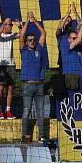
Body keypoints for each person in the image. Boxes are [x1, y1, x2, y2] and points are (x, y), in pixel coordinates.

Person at [19, 13, 49, 144]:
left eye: (33, 40)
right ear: (26, 42)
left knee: (40, 113)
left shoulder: (39, 49)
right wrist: (26, 22)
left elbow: (43, 33)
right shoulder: (24, 51)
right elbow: (21, 35)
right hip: (27, 85)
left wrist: (35, 21)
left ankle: (42, 136)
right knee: (26, 112)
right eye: (30, 40)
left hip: (39, 85)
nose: (32, 42)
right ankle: (25, 136)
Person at [0, 17, 20, 120]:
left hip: (11, 64)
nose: (11, 26)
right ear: (4, 25)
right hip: (1, 65)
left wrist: (20, 26)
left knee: (10, 88)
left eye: (11, 25)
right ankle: (0, 110)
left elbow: (21, 35)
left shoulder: (12, 35)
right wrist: (4, 23)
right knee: (1, 88)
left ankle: (8, 110)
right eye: (9, 24)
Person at [58, 13, 82, 91]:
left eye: (69, 20)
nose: (68, 22)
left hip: (80, 74)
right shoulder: (63, 40)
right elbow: (78, 38)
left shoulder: (77, 43)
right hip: (70, 74)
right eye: (66, 20)